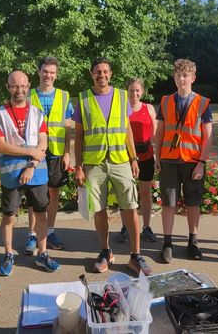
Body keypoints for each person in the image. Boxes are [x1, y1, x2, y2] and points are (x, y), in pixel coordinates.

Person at [73, 57, 153, 276]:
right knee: (99, 210)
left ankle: (135, 256)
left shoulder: (120, 96)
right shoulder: (83, 99)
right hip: (94, 163)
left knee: (130, 207)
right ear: (92, 74)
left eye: (105, 71)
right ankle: (105, 252)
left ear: (111, 74)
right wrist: (78, 166)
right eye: (97, 71)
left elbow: (127, 129)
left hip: (120, 161)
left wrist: (134, 158)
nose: (102, 75)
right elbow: (78, 136)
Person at [0, 70, 60, 275]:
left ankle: (43, 254)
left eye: (22, 86)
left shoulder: (37, 113)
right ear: (8, 87)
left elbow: (43, 142)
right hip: (11, 176)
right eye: (14, 86)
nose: (19, 90)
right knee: (9, 215)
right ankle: (8, 254)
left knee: (41, 214)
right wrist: (30, 151)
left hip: (36, 173)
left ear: (28, 86)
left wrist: (30, 165)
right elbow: (1, 146)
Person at [154, 59, 213, 264]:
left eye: (185, 75)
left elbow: (208, 137)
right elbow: (160, 132)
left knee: (193, 203)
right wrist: (157, 157)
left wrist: (201, 163)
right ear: (174, 77)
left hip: (192, 161)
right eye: (178, 75)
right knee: (168, 203)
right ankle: (167, 243)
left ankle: (192, 242)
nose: (182, 78)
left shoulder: (203, 103)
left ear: (193, 78)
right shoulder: (165, 101)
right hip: (169, 161)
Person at [24, 57, 74, 254]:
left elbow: (67, 126)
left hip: (56, 153)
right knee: (34, 195)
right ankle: (32, 235)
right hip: (35, 152)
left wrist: (67, 153)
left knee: (53, 193)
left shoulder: (63, 95)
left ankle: (50, 231)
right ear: (39, 72)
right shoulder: (28, 95)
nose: (48, 75)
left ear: (56, 74)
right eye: (45, 71)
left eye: (52, 72)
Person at [117, 78, 158, 244]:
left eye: (137, 90)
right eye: (131, 90)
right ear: (126, 91)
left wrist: (158, 157)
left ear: (142, 92)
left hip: (146, 156)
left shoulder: (148, 108)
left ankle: (146, 227)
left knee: (145, 194)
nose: (134, 93)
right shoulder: (121, 108)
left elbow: (155, 134)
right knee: (126, 194)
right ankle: (125, 226)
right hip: (125, 157)